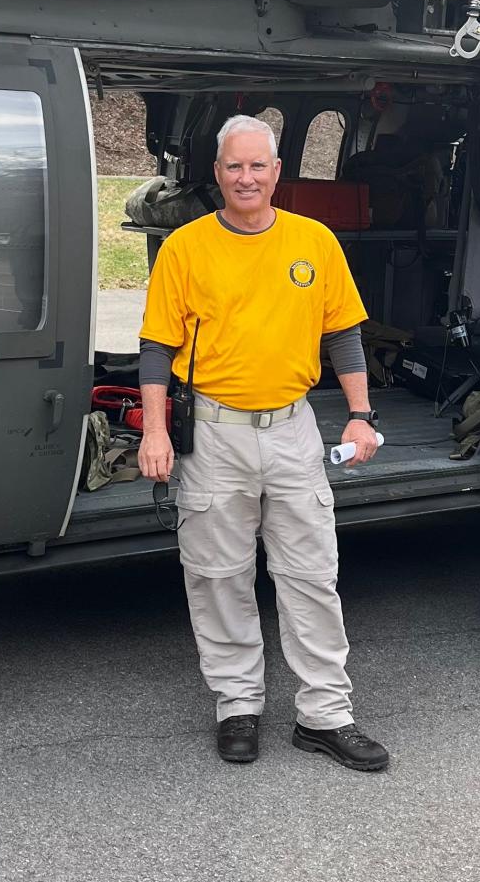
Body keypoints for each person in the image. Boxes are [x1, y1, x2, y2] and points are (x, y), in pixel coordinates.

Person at [137, 115, 390, 771]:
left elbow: (344, 336)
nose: (246, 177)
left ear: (278, 172)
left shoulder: (315, 242)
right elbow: (156, 348)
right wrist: (157, 429)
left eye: (258, 166)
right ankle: (237, 705)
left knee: (311, 574)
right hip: (215, 433)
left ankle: (325, 714)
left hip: (293, 429)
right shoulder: (185, 249)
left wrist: (360, 414)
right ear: (216, 174)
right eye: (233, 166)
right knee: (218, 574)